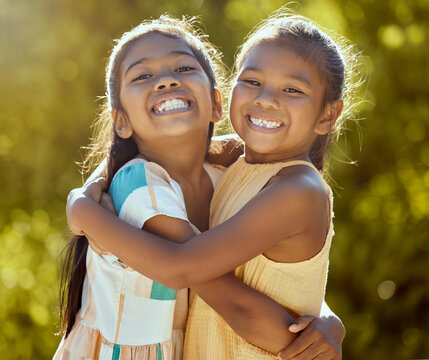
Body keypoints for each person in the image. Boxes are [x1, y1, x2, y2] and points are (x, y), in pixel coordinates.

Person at [62, 12, 353, 360]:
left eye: (291, 89)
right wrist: (93, 186)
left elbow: (182, 267)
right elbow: (146, 153)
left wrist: (83, 212)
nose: (266, 99)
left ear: (327, 114)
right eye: (252, 82)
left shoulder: (293, 188)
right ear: (224, 100)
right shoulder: (237, 161)